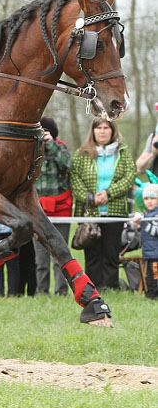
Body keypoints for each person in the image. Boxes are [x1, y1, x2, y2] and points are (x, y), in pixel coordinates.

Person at [70, 117, 137, 290]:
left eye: (106, 128)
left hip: (115, 212)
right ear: (92, 131)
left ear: (113, 131)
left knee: (111, 253)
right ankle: (94, 289)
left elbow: (129, 177)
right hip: (90, 212)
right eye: (98, 128)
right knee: (92, 254)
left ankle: (111, 287)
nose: (102, 131)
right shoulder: (82, 153)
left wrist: (108, 193)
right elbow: (74, 178)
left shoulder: (123, 153)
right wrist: (91, 198)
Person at [33, 116, 73, 296]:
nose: (44, 135)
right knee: (41, 257)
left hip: (61, 209)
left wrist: (51, 144)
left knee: (60, 253)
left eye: (46, 132)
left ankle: (61, 291)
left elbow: (69, 164)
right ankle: (42, 291)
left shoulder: (60, 147)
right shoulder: (33, 151)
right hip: (39, 210)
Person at [133, 183, 158, 299]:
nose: (149, 201)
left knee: (155, 275)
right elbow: (144, 233)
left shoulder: (155, 215)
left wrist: (143, 222)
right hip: (148, 252)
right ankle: (149, 294)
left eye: (153, 198)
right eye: (146, 199)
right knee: (149, 275)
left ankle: (153, 295)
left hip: (155, 253)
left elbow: (155, 231)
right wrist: (138, 226)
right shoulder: (147, 214)